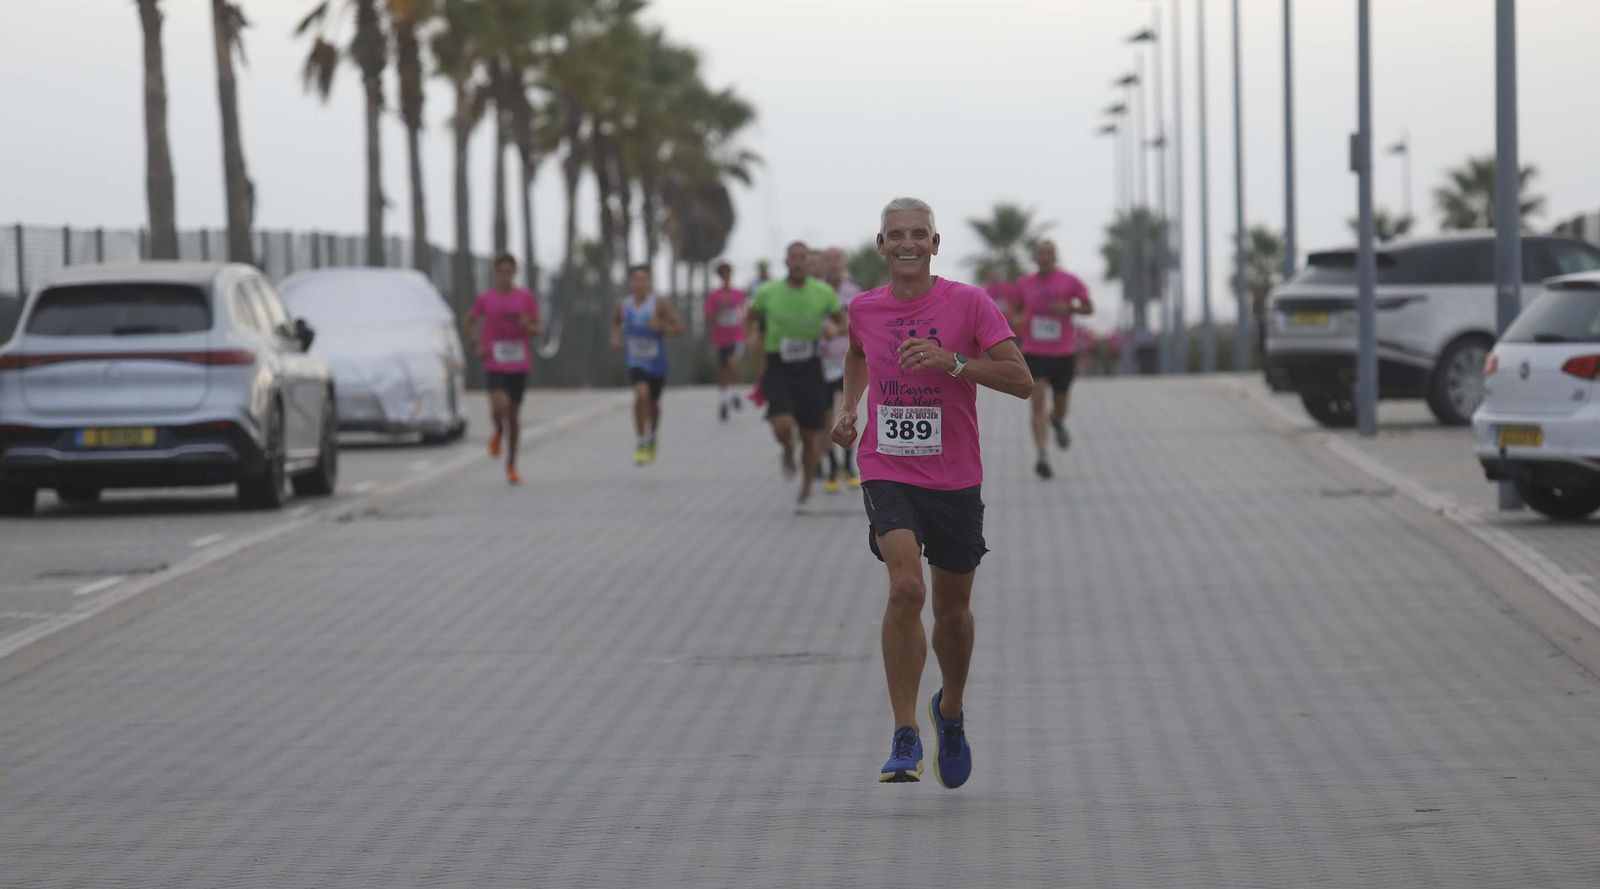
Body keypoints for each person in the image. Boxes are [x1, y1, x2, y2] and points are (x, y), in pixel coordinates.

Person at [833, 197, 1032, 788]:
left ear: (935, 244)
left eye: (919, 234)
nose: (907, 244)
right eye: (896, 235)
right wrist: (849, 408)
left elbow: (1021, 380)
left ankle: (950, 709)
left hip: (954, 477)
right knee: (906, 587)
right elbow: (856, 354)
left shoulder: (969, 304)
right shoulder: (863, 308)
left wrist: (954, 362)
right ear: (880, 245)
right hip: (886, 468)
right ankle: (904, 732)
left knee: (953, 611)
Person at [746, 241, 845, 511]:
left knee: (810, 434)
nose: (799, 262)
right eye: (794, 257)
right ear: (787, 261)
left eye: (803, 257)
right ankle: (788, 448)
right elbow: (750, 317)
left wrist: (834, 331)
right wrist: (752, 337)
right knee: (782, 425)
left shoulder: (822, 292)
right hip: (778, 365)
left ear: (808, 262)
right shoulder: (768, 292)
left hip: (810, 366)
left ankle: (806, 486)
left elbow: (843, 321)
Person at [1010, 239, 1093, 479]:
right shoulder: (1023, 283)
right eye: (1040, 253)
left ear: (1055, 256)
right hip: (1034, 352)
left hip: (1063, 354)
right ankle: (1042, 456)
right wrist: (1017, 320)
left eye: (1048, 253)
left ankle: (1056, 421)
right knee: (1037, 406)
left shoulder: (1070, 281)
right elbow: (1016, 311)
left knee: (1061, 407)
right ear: (1035, 257)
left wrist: (1069, 309)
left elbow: (1089, 308)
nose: (1044, 257)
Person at [465, 253, 541, 485]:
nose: (506, 276)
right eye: (502, 272)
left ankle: (511, 465)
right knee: (500, 406)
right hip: (495, 361)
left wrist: (528, 325)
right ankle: (498, 431)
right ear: (496, 273)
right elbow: (469, 321)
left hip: (519, 363)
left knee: (514, 417)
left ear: (515, 272)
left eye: (509, 271)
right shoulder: (486, 298)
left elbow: (538, 329)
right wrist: (476, 345)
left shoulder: (526, 298)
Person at [611, 265, 685, 465]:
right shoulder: (623, 305)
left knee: (653, 403)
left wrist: (662, 327)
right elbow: (616, 323)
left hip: (656, 362)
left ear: (650, 283)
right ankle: (641, 440)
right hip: (635, 360)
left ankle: (652, 436)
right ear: (630, 283)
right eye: (635, 280)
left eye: (643, 280)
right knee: (641, 395)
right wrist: (615, 338)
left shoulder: (659, 304)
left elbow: (680, 327)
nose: (639, 284)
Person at [818, 246, 863, 493]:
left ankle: (847, 464)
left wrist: (837, 330)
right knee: (824, 415)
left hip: (847, 360)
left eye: (837, 259)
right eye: (828, 260)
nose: (833, 264)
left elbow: (864, 324)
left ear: (844, 263)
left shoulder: (854, 291)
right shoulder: (815, 291)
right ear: (821, 265)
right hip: (820, 362)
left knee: (848, 411)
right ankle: (831, 465)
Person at [704, 261, 747, 422]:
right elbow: (709, 317)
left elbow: (745, 312)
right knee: (723, 370)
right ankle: (724, 400)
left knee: (733, 363)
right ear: (720, 276)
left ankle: (733, 393)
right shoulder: (714, 296)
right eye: (723, 274)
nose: (726, 277)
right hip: (721, 337)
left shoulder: (739, 293)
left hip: (737, 336)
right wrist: (720, 307)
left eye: (728, 273)